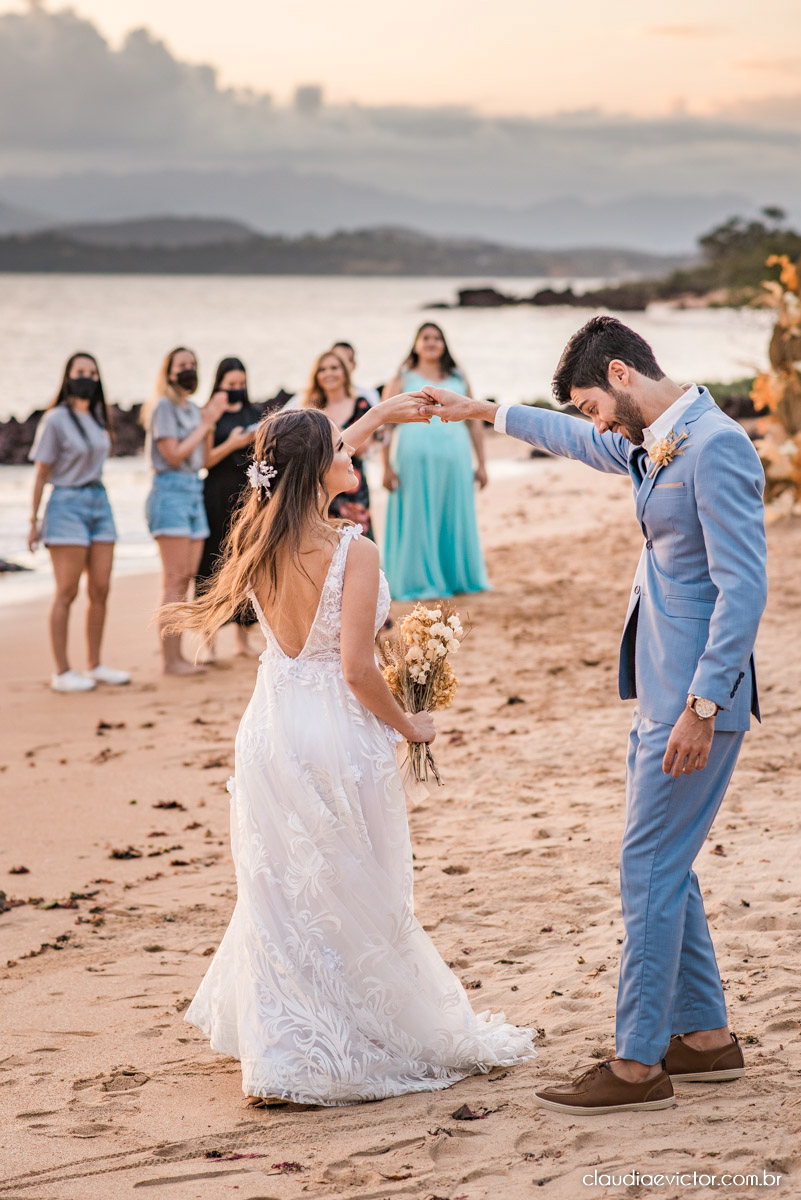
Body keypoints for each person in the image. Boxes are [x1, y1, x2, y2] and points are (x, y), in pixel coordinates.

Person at [419, 315, 768, 1115]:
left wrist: (701, 705)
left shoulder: (714, 446)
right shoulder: (651, 439)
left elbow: (743, 589)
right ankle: (704, 1039)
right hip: (660, 691)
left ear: (619, 374)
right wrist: (484, 411)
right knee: (665, 865)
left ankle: (637, 1065)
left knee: (646, 868)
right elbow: (575, 442)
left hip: (692, 702)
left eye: (591, 405)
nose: (596, 425)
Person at [162, 400, 535, 1106]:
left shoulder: (259, 539)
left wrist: (382, 413)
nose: (354, 452)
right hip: (335, 730)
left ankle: (281, 1048)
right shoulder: (352, 551)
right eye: (343, 448)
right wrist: (409, 726)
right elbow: (358, 670)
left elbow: (304, 455)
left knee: (283, 889)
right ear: (315, 469)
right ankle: (352, 1037)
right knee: (356, 883)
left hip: (270, 729)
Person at [28, 352, 131, 693]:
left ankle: (95, 664)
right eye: (80, 371)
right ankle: (62, 672)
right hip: (66, 505)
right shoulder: (55, 419)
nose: (87, 377)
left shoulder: (98, 417)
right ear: (68, 376)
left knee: (100, 588)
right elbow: (41, 472)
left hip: (99, 502)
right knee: (67, 591)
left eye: (92, 372)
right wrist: (33, 520)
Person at [381, 323, 488, 601]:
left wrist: (482, 464)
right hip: (413, 460)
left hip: (456, 458)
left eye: (437, 338)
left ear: (444, 344)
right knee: (417, 514)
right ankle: (417, 580)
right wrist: (386, 466)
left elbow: (475, 421)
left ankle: (456, 578)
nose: (431, 342)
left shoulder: (458, 377)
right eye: (425, 338)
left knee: (454, 513)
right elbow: (385, 424)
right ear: (416, 344)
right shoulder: (401, 379)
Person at [143, 347, 228, 675]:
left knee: (187, 578)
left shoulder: (194, 409)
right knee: (174, 581)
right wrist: (206, 423)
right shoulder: (163, 407)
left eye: (193, 364)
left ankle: (177, 655)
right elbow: (174, 454)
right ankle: (171, 660)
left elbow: (203, 459)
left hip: (194, 492)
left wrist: (212, 425)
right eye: (182, 365)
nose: (188, 369)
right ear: (169, 371)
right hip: (170, 493)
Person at [196, 357, 261, 659]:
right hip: (215, 495)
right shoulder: (210, 413)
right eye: (231, 384)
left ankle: (242, 640)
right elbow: (205, 460)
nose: (237, 388)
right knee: (210, 565)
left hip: (247, 497)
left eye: (241, 383)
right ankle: (207, 643)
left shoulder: (254, 413)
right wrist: (234, 443)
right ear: (219, 384)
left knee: (245, 565)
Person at [301, 349, 376, 538]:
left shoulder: (361, 404)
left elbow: (362, 448)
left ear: (344, 371)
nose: (328, 373)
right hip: (322, 484)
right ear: (316, 376)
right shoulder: (310, 408)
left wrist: (332, 437)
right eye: (322, 369)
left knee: (357, 538)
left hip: (353, 482)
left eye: (334, 367)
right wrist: (342, 436)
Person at [332, 341, 380, 406]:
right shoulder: (318, 399)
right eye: (338, 360)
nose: (342, 365)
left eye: (347, 360)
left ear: (354, 364)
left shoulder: (369, 395)